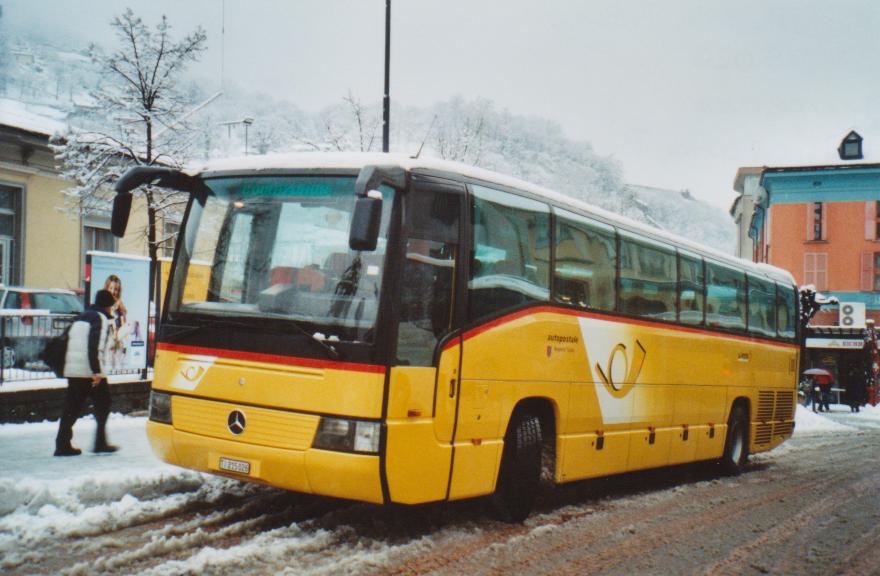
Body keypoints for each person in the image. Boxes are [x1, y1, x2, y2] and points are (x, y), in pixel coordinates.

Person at [54, 289, 119, 456]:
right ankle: (100, 443)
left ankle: (62, 444)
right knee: (103, 405)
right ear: (108, 306)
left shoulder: (81, 317)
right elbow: (94, 345)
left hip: (74, 370)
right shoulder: (100, 319)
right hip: (89, 371)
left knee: (71, 408)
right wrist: (96, 371)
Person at [103, 274, 128, 369]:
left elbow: (123, 323)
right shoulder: (103, 304)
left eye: (116, 289)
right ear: (107, 288)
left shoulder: (120, 305)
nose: (113, 292)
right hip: (106, 342)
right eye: (111, 288)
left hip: (117, 342)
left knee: (116, 367)